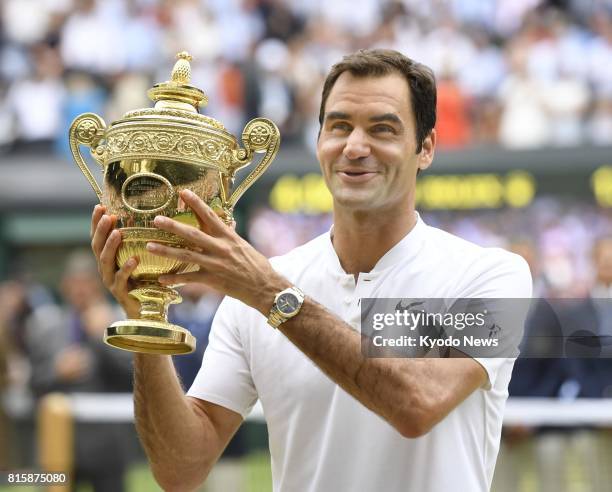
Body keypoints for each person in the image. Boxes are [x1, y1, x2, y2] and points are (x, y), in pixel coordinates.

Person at [90, 49, 532, 491]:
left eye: (382, 129)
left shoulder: (493, 275)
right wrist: (147, 317)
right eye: (339, 126)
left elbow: (417, 405)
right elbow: (180, 470)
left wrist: (270, 294)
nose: (355, 147)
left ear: (426, 148)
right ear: (320, 141)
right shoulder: (255, 290)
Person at [25, 251, 133, 492]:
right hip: (59, 442)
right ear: (64, 286)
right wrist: (57, 372)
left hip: (107, 446)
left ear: (99, 286)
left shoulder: (119, 323)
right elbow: (32, 385)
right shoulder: (45, 327)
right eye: (75, 283)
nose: (81, 291)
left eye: (87, 284)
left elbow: (132, 381)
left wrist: (100, 338)